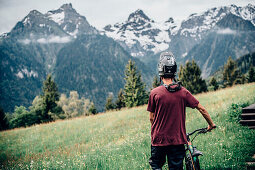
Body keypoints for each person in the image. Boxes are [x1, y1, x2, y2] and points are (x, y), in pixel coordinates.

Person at [147, 52, 216, 170]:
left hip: (159, 140)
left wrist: (158, 131)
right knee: (176, 167)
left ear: (160, 71)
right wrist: (211, 124)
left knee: (156, 165)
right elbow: (202, 109)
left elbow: (151, 118)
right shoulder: (183, 92)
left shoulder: (154, 93)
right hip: (178, 140)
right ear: (174, 71)